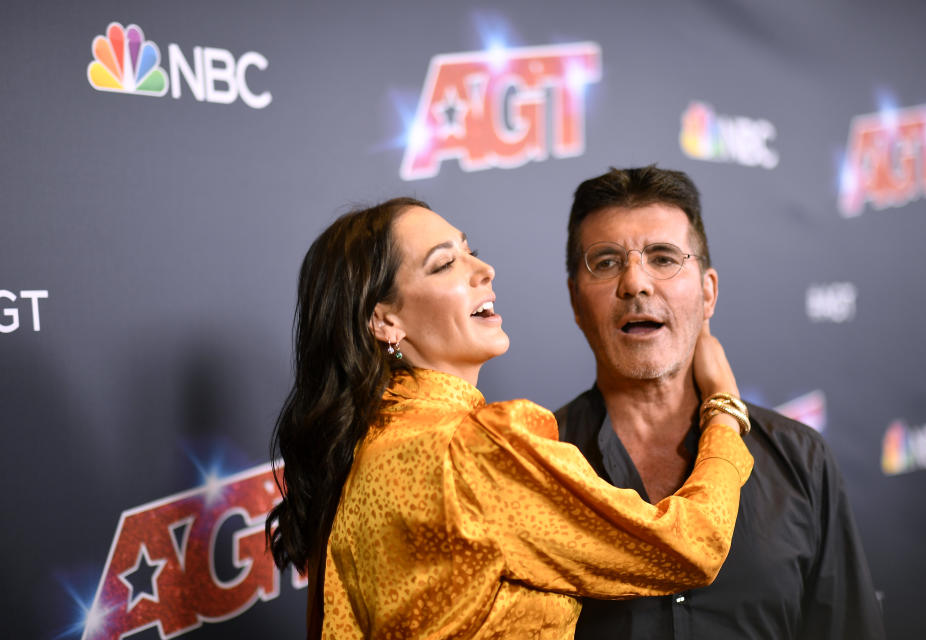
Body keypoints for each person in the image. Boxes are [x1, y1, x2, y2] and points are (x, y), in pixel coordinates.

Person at [265, 197, 753, 639]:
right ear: (385, 321)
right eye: (444, 265)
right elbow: (691, 544)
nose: (484, 269)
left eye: (469, 250)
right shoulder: (469, 453)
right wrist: (725, 407)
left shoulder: (369, 446)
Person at [556, 165, 885, 639]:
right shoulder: (534, 462)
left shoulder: (800, 460)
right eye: (606, 262)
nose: (635, 283)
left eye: (664, 257)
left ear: (708, 292)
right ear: (575, 301)